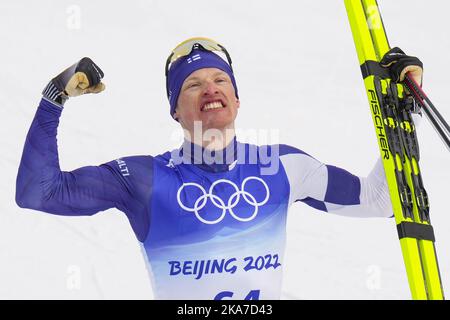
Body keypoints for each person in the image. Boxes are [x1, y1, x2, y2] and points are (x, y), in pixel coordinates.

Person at [15, 38, 424, 300]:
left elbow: (381, 201)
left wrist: (404, 109)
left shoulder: (282, 167)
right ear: (175, 110)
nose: (210, 88)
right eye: (193, 84)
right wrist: (54, 99)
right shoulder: (143, 179)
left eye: (220, 80)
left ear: (237, 98)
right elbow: (39, 192)